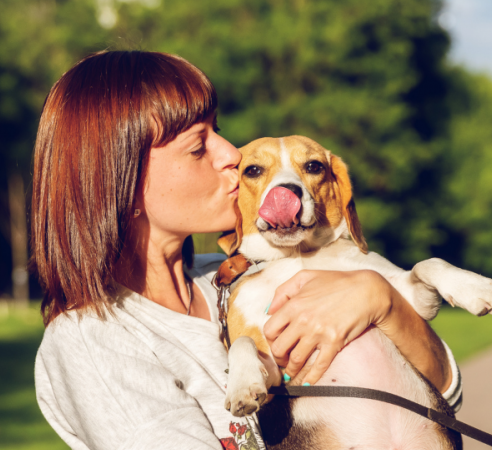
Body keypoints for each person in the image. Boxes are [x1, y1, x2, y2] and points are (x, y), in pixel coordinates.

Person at [29, 51, 462, 450]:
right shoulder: (93, 340)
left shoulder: (244, 275)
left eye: (217, 131)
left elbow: (442, 398)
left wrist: (381, 300)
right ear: (120, 183)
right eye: (198, 146)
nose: (231, 154)